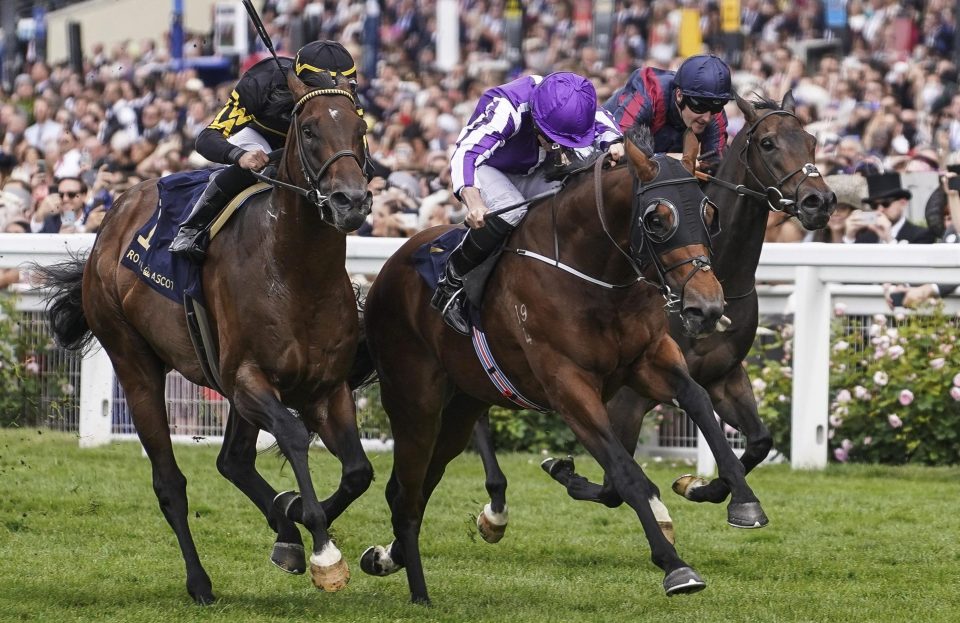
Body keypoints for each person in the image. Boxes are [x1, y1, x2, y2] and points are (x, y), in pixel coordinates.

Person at [434, 72, 624, 335]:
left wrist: (615, 144)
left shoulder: (574, 99)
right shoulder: (508, 106)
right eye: (554, 138)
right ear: (536, 117)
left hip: (532, 166)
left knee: (570, 199)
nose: (559, 146)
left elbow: (604, 123)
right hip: (489, 166)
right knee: (513, 209)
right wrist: (474, 201)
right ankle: (450, 282)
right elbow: (467, 153)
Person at [169, 40, 358, 261]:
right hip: (260, 140)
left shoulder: (346, 99)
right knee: (257, 163)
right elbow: (206, 139)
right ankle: (193, 227)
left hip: (311, 148)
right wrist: (239, 156)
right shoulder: (264, 80)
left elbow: (360, 155)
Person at [603, 54, 731, 172]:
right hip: (602, 143)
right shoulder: (650, 93)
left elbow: (716, 167)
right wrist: (668, 159)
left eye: (717, 107)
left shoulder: (715, 114)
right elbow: (619, 150)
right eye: (701, 106)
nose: (707, 118)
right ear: (680, 95)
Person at [843, 172, 935, 244]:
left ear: (902, 202)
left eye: (885, 203)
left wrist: (889, 239)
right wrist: (849, 237)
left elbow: (915, 266)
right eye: (874, 205)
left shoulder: (921, 234)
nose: (880, 209)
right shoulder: (865, 237)